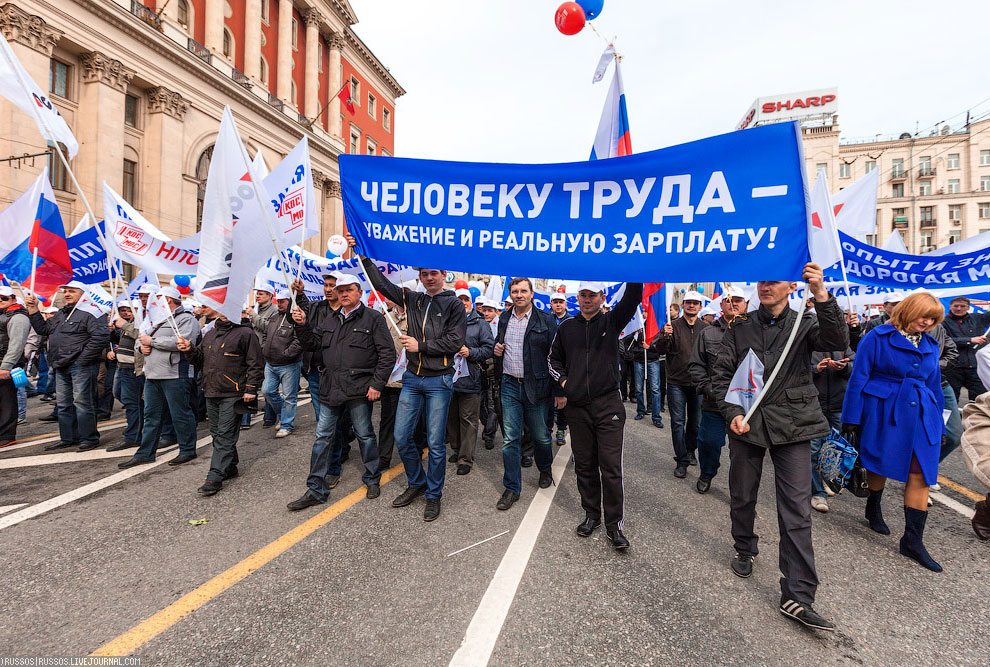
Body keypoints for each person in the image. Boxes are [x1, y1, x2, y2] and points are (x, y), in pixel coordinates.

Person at [712, 263, 847, 632]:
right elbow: (722, 374)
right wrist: (734, 413)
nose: (765, 286)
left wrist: (821, 294)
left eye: (773, 281)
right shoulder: (740, 327)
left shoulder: (804, 322)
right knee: (742, 493)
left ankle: (798, 595)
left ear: (791, 285)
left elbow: (837, 341)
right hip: (749, 425)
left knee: (796, 509)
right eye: (761, 281)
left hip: (794, 425)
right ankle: (744, 546)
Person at [352, 234, 467, 522]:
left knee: (436, 443)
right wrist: (363, 255)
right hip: (412, 379)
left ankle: (434, 495)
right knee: (402, 437)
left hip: (439, 380)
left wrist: (421, 346)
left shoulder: (453, 305)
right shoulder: (411, 298)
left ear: (443, 275)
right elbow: (382, 285)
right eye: (424, 274)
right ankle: (417, 482)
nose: (429, 278)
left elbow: (455, 341)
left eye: (434, 274)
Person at [841, 292, 946, 572]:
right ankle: (873, 506)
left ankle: (912, 540)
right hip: (883, 409)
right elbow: (858, 377)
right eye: (923, 316)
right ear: (908, 310)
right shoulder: (877, 337)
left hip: (922, 413)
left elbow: (934, 384)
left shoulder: (931, 344)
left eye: (933, 319)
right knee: (880, 465)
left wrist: (939, 422)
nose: (927, 322)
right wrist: (851, 418)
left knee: (920, 472)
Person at [287, 274, 396, 509]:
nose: (344, 294)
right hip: (330, 388)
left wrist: (377, 384)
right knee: (322, 438)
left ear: (359, 292)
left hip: (358, 390)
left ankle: (372, 478)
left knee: (364, 434)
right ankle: (316, 488)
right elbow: (311, 344)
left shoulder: (373, 319)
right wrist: (302, 325)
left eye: (349, 290)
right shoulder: (331, 319)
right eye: (341, 290)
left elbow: (388, 355)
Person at [549, 281, 643, 550]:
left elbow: (633, 296)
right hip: (578, 408)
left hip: (608, 406)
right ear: (577, 297)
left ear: (602, 297)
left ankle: (615, 526)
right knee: (585, 465)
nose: (587, 299)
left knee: (611, 468)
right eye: (583, 295)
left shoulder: (612, 321)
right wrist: (567, 383)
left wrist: (636, 268)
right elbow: (552, 360)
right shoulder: (566, 327)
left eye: (593, 295)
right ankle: (592, 515)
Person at [176, 307, 263, 496]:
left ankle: (214, 477)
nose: (224, 313)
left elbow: (255, 363)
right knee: (217, 433)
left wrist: (251, 389)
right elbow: (199, 360)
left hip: (233, 392)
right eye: (222, 309)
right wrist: (189, 349)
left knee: (225, 434)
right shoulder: (210, 333)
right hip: (211, 390)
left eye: (228, 309)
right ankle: (230, 467)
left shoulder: (245, 333)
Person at [493, 277, 560, 511]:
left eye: (523, 291)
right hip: (510, 384)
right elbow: (499, 345)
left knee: (541, 436)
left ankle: (545, 468)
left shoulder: (547, 320)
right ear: (510, 295)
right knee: (511, 438)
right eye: (515, 291)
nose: (519, 295)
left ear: (532, 294)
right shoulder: (504, 318)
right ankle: (511, 487)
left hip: (538, 386)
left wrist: (559, 389)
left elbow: (556, 355)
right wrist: (496, 349)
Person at [118, 287, 201, 468]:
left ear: (169, 300)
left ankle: (187, 449)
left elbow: (182, 342)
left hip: (175, 374)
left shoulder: (187, 319)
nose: (151, 302)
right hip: (152, 374)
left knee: (180, 414)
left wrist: (152, 342)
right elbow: (141, 337)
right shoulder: (155, 319)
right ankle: (145, 453)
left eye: (157, 299)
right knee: (151, 416)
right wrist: (140, 347)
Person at [25, 282, 110, 452]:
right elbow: (43, 329)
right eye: (65, 291)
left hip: (81, 366)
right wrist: (34, 310)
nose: (67, 294)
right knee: (63, 404)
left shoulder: (93, 312)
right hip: (61, 364)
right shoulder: (62, 313)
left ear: (83, 294)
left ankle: (89, 438)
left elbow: (100, 337)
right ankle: (68, 437)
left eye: (72, 291)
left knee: (83, 403)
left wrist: (81, 360)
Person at [689, 286, 748, 494]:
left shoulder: (756, 333)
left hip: (746, 405)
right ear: (722, 304)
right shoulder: (708, 333)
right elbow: (696, 365)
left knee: (742, 453)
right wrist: (707, 388)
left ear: (746, 305)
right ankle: (707, 473)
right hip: (714, 403)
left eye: (739, 300)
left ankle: (740, 490)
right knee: (709, 443)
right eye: (730, 300)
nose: (734, 303)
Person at [655, 291, 708, 478]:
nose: (691, 306)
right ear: (683, 305)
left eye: (695, 303)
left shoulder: (706, 328)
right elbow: (659, 350)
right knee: (678, 422)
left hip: (698, 384)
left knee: (696, 423)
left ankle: (690, 449)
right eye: (688, 303)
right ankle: (681, 459)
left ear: (700, 307)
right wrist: (663, 336)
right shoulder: (672, 326)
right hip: (677, 382)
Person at [446, 289, 494, 475]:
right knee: (451, 417)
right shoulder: (447, 321)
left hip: (470, 378)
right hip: (448, 378)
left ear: (471, 302)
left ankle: (466, 458)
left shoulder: (480, 323)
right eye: (460, 300)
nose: (463, 302)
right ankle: (457, 449)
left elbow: (489, 348)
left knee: (468, 419)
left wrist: (471, 353)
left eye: (466, 299)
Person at [807, 343, 855, 513]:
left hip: (838, 405)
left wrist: (843, 367)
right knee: (813, 449)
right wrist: (816, 369)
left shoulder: (843, 344)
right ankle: (818, 492)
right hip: (814, 405)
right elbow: (795, 370)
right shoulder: (808, 340)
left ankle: (827, 479)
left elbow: (854, 367)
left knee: (835, 449)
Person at [261, 289, 303, 439]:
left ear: (290, 301)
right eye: (278, 301)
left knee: (289, 397)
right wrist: (264, 348)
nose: (279, 304)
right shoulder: (274, 318)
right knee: (267, 391)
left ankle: (286, 425)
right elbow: (266, 335)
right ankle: (283, 415)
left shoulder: (296, 318)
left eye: (282, 301)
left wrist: (286, 354)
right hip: (271, 363)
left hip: (289, 364)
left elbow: (300, 341)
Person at [107, 304, 144, 452]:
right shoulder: (127, 324)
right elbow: (122, 340)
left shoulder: (141, 322)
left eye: (131, 309)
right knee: (120, 394)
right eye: (124, 310)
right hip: (122, 366)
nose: (127, 312)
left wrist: (124, 326)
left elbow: (141, 336)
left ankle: (133, 436)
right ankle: (137, 425)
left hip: (133, 368)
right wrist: (112, 333)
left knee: (131, 402)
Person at [378, 297, 407, 470]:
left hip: (411, 380)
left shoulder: (417, 316)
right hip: (390, 380)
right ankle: (383, 457)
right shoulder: (385, 318)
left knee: (413, 421)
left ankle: (415, 452)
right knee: (387, 420)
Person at [942, 296, 990, 401]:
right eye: (956, 306)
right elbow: (944, 341)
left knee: (979, 400)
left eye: (963, 306)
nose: (959, 308)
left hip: (975, 367)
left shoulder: (978, 318)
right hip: (953, 367)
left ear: (968, 307)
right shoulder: (943, 322)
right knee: (951, 400)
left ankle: (977, 417)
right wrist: (970, 340)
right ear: (950, 306)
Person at [0, 286, 30, 448]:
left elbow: (16, 344)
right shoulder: (3, 315)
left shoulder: (18, 317)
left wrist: (6, 366)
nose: (0, 300)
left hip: (6, 366)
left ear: (13, 299)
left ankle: (6, 435)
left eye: (4, 298)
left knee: (7, 401)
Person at [247, 286, 279, 427]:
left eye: (260, 294)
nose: (258, 296)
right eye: (257, 294)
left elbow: (270, 328)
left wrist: (254, 316)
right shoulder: (256, 309)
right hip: (253, 351)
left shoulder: (275, 310)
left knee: (268, 386)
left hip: (266, 351)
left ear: (269, 295)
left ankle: (269, 417)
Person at [479, 299, 501, 449]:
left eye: (490, 310)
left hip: (495, 371)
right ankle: (487, 425)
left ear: (496, 311)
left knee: (492, 403)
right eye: (484, 310)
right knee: (481, 403)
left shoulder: (501, 326)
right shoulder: (479, 324)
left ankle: (489, 434)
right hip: (480, 370)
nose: (486, 313)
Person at [548, 294, 570, 446]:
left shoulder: (571, 321)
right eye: (555, 302)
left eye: (561, 302)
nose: (558, 305)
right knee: (548, 402)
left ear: (565, 304)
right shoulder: (546, 319)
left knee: (563, 402)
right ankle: (547, 429)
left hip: (565, 367)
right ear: (551, 304)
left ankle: (561, 429)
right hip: (547, 366)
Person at [632, 328, 664, 429]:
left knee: (655, 389)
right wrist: (635, 334)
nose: (644, 313)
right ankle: (640, 411)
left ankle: (656, 417)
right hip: (638, 360)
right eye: (643, 311)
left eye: (646, 311)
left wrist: (650, 347)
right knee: (638, 389)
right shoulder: (636, 325)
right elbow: (628, 343)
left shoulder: (655, 325)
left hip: (653, 360)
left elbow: (660, 346)